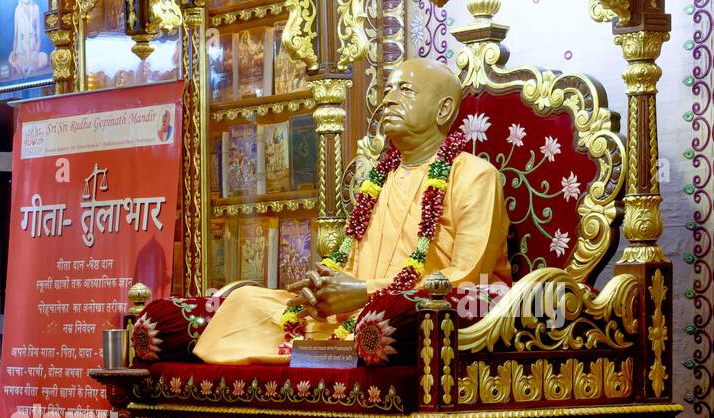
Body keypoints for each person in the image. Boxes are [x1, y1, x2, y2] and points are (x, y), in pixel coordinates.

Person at [193, 58, 510, 364]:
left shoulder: (474, 175)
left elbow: (467, 278)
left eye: (405, 90)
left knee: (381, 326)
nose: (388, 100)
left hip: (409, 314)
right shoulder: (377, 178)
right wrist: (322, 288)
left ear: (443, 110)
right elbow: (352, 264)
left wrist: (363, 293)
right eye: (387, 90)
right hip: (350, 313)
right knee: (244, 302)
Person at [8, 0, 48, 79]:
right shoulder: (18, 9)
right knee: (11, 57)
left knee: (44, 58)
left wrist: (36, 52)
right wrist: (15, 53)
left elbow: (38, 35)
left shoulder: (36, 8)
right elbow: (16, 35)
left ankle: (29, 66)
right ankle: (24, 66)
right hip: (21, 51)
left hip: (32, 50)